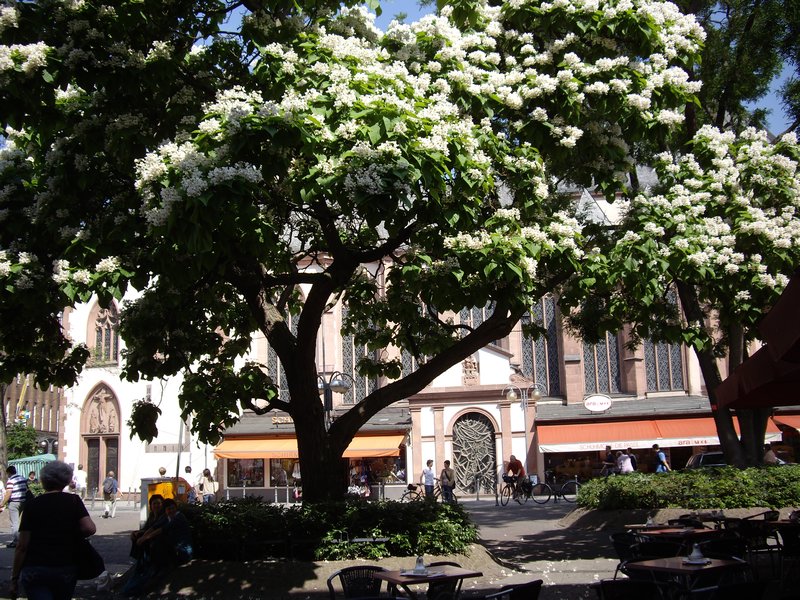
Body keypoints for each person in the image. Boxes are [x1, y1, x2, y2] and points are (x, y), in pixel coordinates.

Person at [9, 460, 97, 600]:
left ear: (44, 480)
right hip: (65, 564)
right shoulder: (73, 501)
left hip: (35, 566)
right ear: (66, 480)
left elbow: (22, 546)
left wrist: (14, 578)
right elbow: (90, 528)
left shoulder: (33, 505)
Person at [1, 465, 30, 548]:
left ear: (8, 473)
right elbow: (26, 489)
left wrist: (2, 503)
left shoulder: (11, 480)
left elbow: (8, 493)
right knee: (19, 521)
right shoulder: (22, 478)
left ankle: (16, 542)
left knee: (14, 523)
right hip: (23, 501)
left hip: (14, 503)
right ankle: (21, 540)